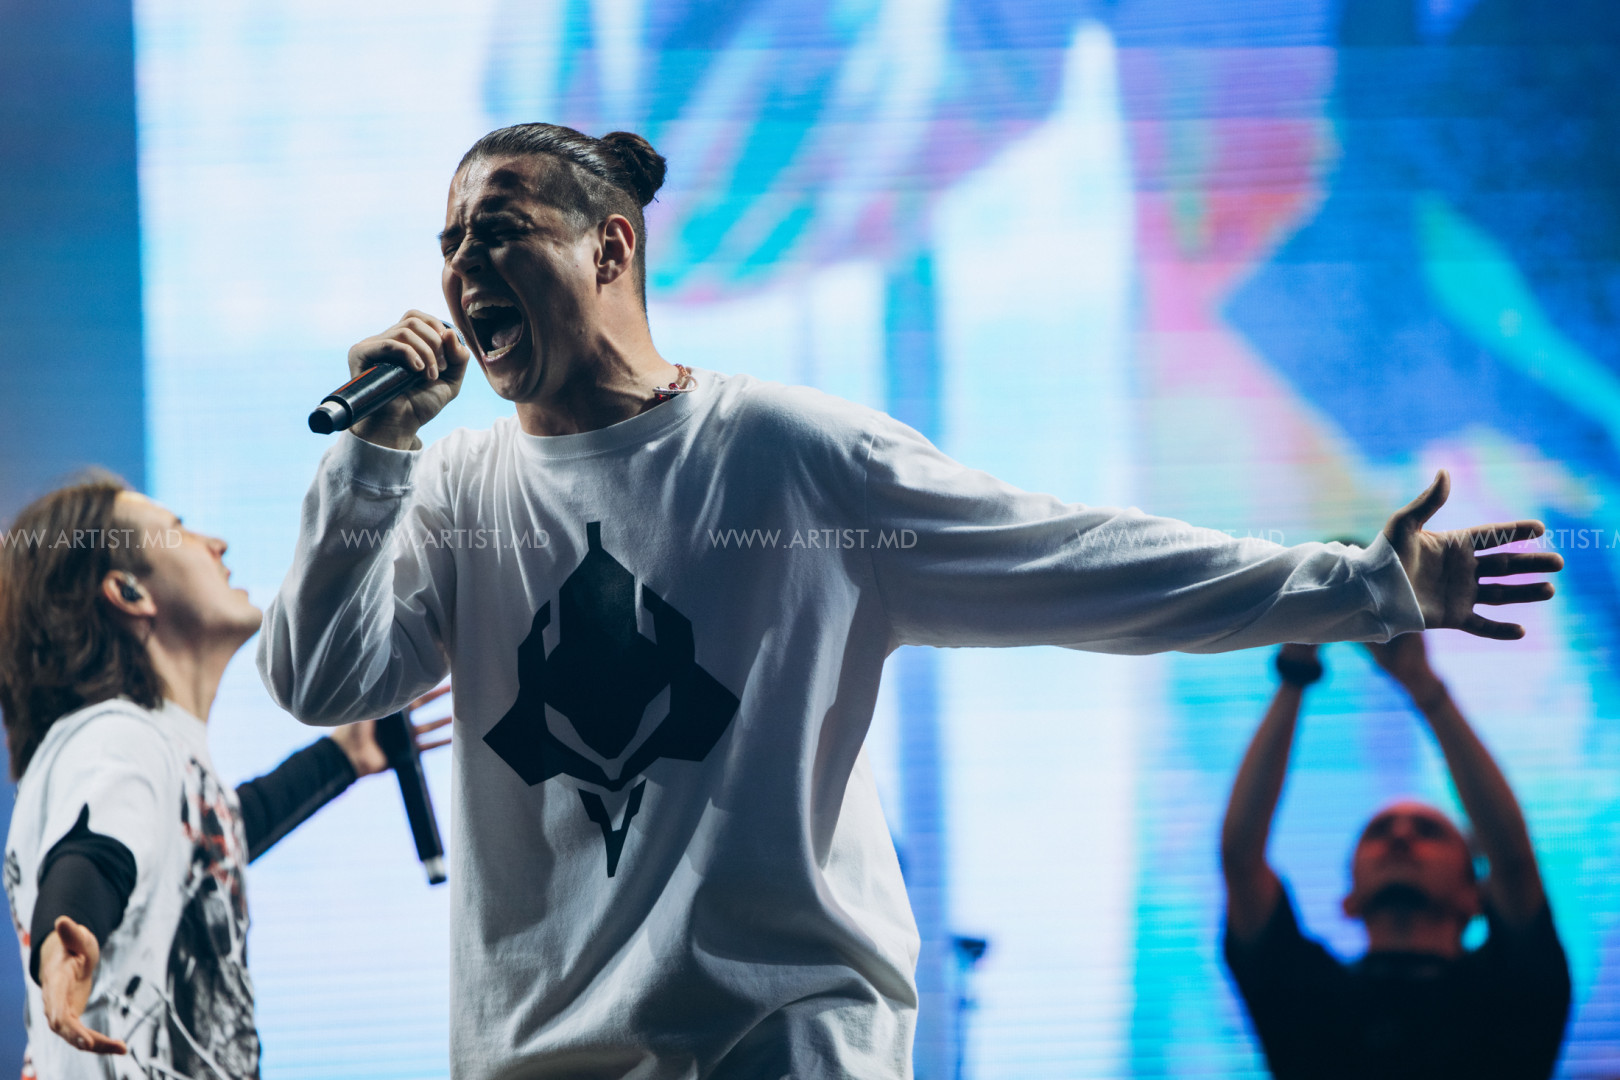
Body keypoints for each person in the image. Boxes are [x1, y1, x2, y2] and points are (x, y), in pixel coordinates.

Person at [257, 121, 1562, 1079]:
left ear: (611, 246)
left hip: (777, 1043)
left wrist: (1366, 586)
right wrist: (375, 452)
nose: (462, 266)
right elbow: (321, 680)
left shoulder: (787, 455)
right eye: (448, 244)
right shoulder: (454, 489)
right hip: (538, 1057)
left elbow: (1081, 561)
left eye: (498, 230)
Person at [0, 477, 451, 1079]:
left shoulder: (150, 748)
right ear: (129, 592)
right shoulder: (118, 738)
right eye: (181, 529)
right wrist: (67, 938)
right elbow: (94, 855)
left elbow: (209, 840)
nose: (217, 543)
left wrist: (341, 757)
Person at [1221, 635, 1571, 1079]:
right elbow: (1240, 861)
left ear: (1475, 896)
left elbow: (1514, 863)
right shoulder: (1305, 992)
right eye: (1379, 831)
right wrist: (1296, 669)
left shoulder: (1514, 989)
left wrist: (1423, 684)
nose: (1401, 835)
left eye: (1429, 832)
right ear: (1348, 898)